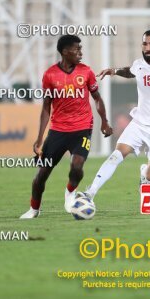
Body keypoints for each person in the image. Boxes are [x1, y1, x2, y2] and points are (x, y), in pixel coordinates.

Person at [77, 29, 150, 201]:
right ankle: (90, 193)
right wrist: (114, 70)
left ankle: (144, 176)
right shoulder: (139, 63)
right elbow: (131, 71)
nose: (148, 47)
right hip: (139, 123)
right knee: (117, 154)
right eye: (145, 43)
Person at [20, 35, 113, 219]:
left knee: (77, 166)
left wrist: (104, 121)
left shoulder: (86, 72)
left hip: (82, 128)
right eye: (76, 49)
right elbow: (46, 107)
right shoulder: (50, 75)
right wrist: (39, 139)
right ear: (64, 51)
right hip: (58, 131)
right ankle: (34, 209)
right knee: (42, 174)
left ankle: (70, 193)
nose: (80, 52)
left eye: (81, 49)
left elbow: (97, 98)